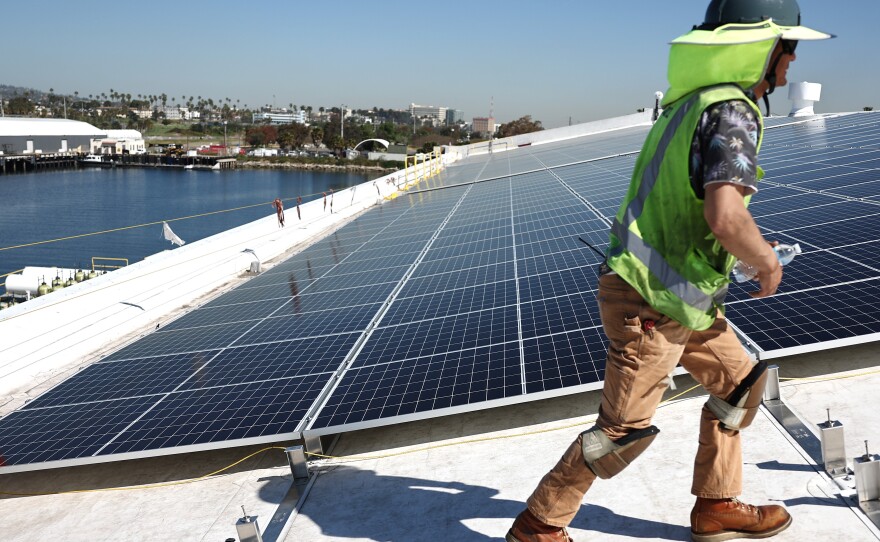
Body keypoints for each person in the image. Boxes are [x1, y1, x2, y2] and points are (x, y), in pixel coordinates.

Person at [506, 2, 833, 541]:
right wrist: (765, 260)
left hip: (681, 296)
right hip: (651, 302)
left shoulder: (689, 105)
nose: (793, 58)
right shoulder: (733, 111)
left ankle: (716, 505)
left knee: (739, 384)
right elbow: (725, 214)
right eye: (788, 45)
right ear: (760, 48)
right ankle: (539, 526)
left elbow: (686, 214)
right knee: (620, 433)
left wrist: (745, 248)